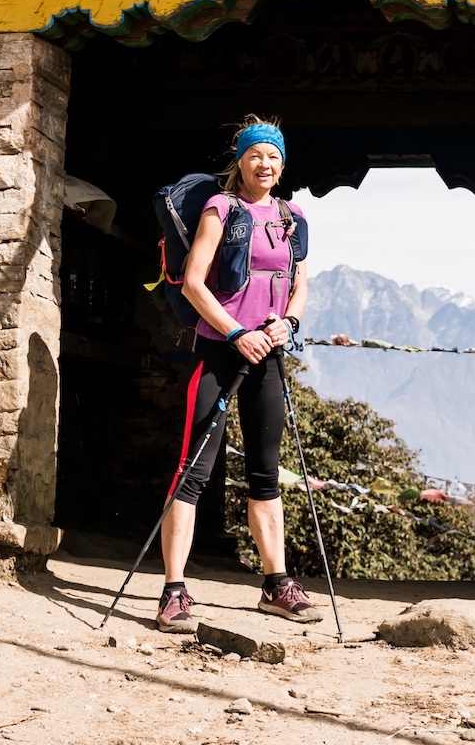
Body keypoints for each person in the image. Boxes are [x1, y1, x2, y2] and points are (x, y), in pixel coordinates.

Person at [155, 116, 322, 633]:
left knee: (266, 473)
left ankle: (276, 585)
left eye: (273, 156)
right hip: (219, 351)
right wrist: (234, 333)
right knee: (192, 472)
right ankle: (173, 592)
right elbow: (193, 283)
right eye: (255, 155)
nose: (264, 164)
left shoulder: (293, 217)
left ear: (282, 165)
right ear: (241, 161)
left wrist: (289, 322)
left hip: (267, 354)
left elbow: (300, 284)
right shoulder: (220, 208)